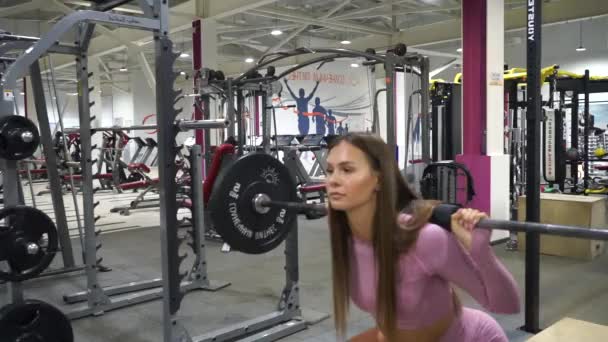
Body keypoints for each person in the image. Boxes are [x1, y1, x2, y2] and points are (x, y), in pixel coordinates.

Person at [325, 133, 520, 342]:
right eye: (329, 171)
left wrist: (481, 252)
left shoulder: (425, 239)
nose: (333, 180)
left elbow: (507, 305)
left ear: (378, 179)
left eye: (347, 170)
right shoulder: (343, 235)